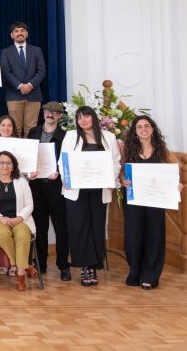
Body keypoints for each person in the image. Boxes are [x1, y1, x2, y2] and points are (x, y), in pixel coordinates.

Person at [59, 106, 121, 286]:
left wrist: (111, 179)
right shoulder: (71, 136)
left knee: (96, 227)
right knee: (79, 228)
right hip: (76, 190)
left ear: (94, 117)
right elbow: (63, 161)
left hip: (100, 190)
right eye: (79, 118)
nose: (83, 120)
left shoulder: (109, 137)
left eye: (86, 116)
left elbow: (115, 162)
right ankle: (84, 267)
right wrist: (66, 178)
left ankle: (94, 267)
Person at [120, 115, 181, 290]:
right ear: (135, 131)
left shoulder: (161, 149)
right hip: (133, 199)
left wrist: (177, 185)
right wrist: (124, 180)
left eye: (147, 126)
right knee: (133, 236)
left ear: (153, 129)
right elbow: (122, 171)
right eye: (139, 127)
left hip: (155, 199)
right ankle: (135, 272)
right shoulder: (128, 148)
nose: (143, 129)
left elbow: (171, 174)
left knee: (154, 235)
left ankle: (150, 276)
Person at [26, 101, 71, 281]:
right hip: (36, 186)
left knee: (61, 227)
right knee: (40, 226)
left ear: (59, 116)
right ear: (43, 113)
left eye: (54, 112)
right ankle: (40, 263)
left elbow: (67, 161)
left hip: (56, 186)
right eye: (47, 111)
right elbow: (27, 158)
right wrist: (29, 171)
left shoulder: (65, 136)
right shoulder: (33, 132)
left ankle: (63, 265)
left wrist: (59, 173)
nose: (50, 114)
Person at [0, 151, 38, 291]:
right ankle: (25, 267)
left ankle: (20, 273)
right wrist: (0, 218)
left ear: (13, 166)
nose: (5, 166)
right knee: (3, 234)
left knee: (23, 235)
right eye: (2, 162)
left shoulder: (22, 182)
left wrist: (19, 218)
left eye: (8, 163)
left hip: (20, 219)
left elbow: (29, 205)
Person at [0, 21, 46, 138]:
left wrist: (29, 85)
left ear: (27, 34)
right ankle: (15, 151)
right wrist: (20, 86)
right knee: (14, 128)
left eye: (22, 30)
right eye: (16, 31)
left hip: (34, 95)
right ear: (12, 35)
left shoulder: (36, 50)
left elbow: (41, 71)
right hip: (14, 95)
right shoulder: (5, 52)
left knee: (31, 129)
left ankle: (29, 151)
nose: (19, 33)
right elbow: (6, 72)